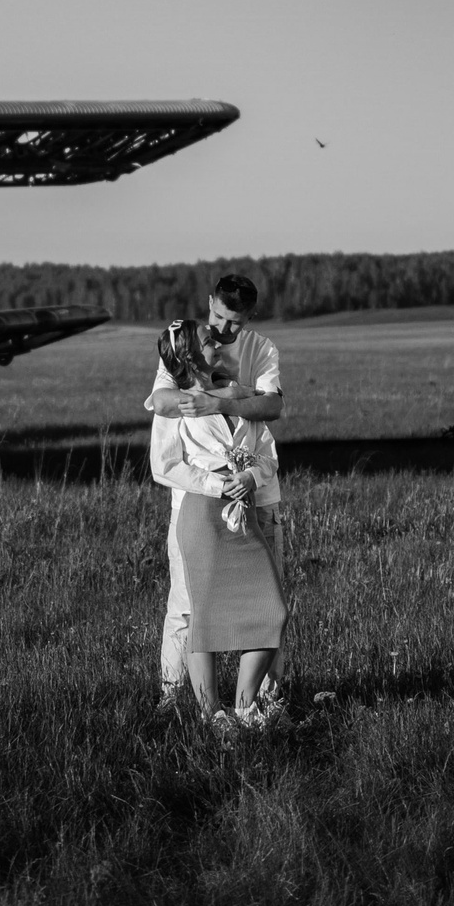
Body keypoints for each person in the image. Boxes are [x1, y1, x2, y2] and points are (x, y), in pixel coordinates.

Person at [147, 272, 288, 729]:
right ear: (209, 303)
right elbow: (161, 403)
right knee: (189, 604)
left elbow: (270, 408)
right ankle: (181, 701)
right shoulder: (184, 349)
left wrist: (226, 398)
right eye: (217, 318)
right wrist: (203, 397)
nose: (221, 331)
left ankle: (261, 702)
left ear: (249, 318)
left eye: (233, 323)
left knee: (268, 602)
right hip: (199, 502)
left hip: (256, 498)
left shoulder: (259, 350)